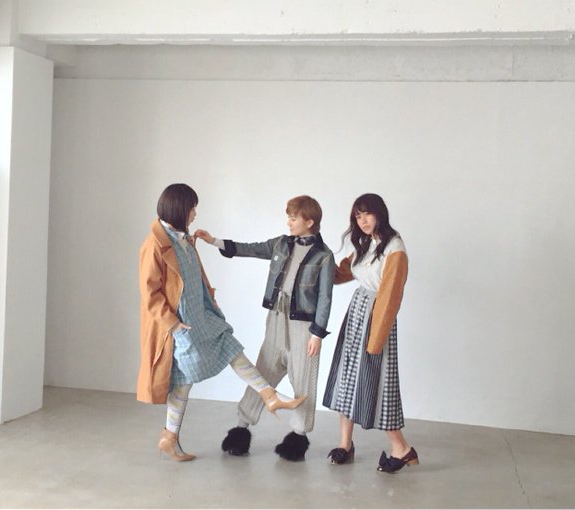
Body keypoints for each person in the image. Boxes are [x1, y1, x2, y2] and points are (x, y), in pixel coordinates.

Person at [137, 183, 305, 462]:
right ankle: (169, 437)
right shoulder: (154, 244)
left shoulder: (183, 240)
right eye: (192, 208)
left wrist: (210, 301)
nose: (195, 213)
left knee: (231, 348)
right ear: (179, 209)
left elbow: (195, 278)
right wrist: (173, 324)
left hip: (202, 315)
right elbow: (150, 294)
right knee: (183, 384)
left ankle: (269, 395)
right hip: (181, 325)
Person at [195, 195, 335, 461]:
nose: (289, 222)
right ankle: (241, 429)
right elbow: (251, 249)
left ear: (309, 222)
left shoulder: (324, 256)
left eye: (293, 218)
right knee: (264, 371)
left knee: (304, 378)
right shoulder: (281, 243)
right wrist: (214, 241)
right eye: (288, 217)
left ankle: (298, 436)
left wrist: (317, 333)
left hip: (304, 326)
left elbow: (325, 298)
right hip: (276, 317)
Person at [322, 193, 418, 473]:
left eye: (367, 214)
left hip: (376, 320)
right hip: (357, 314)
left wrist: (375, 341)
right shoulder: (366, 243)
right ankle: (345, 444)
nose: (362, 221)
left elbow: (390, 298)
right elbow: (343, 272)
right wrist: (317, 262)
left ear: (380, 214)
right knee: (346, 377)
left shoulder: (394, 248)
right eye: (357, 216)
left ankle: (402, 448)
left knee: (377, 383)